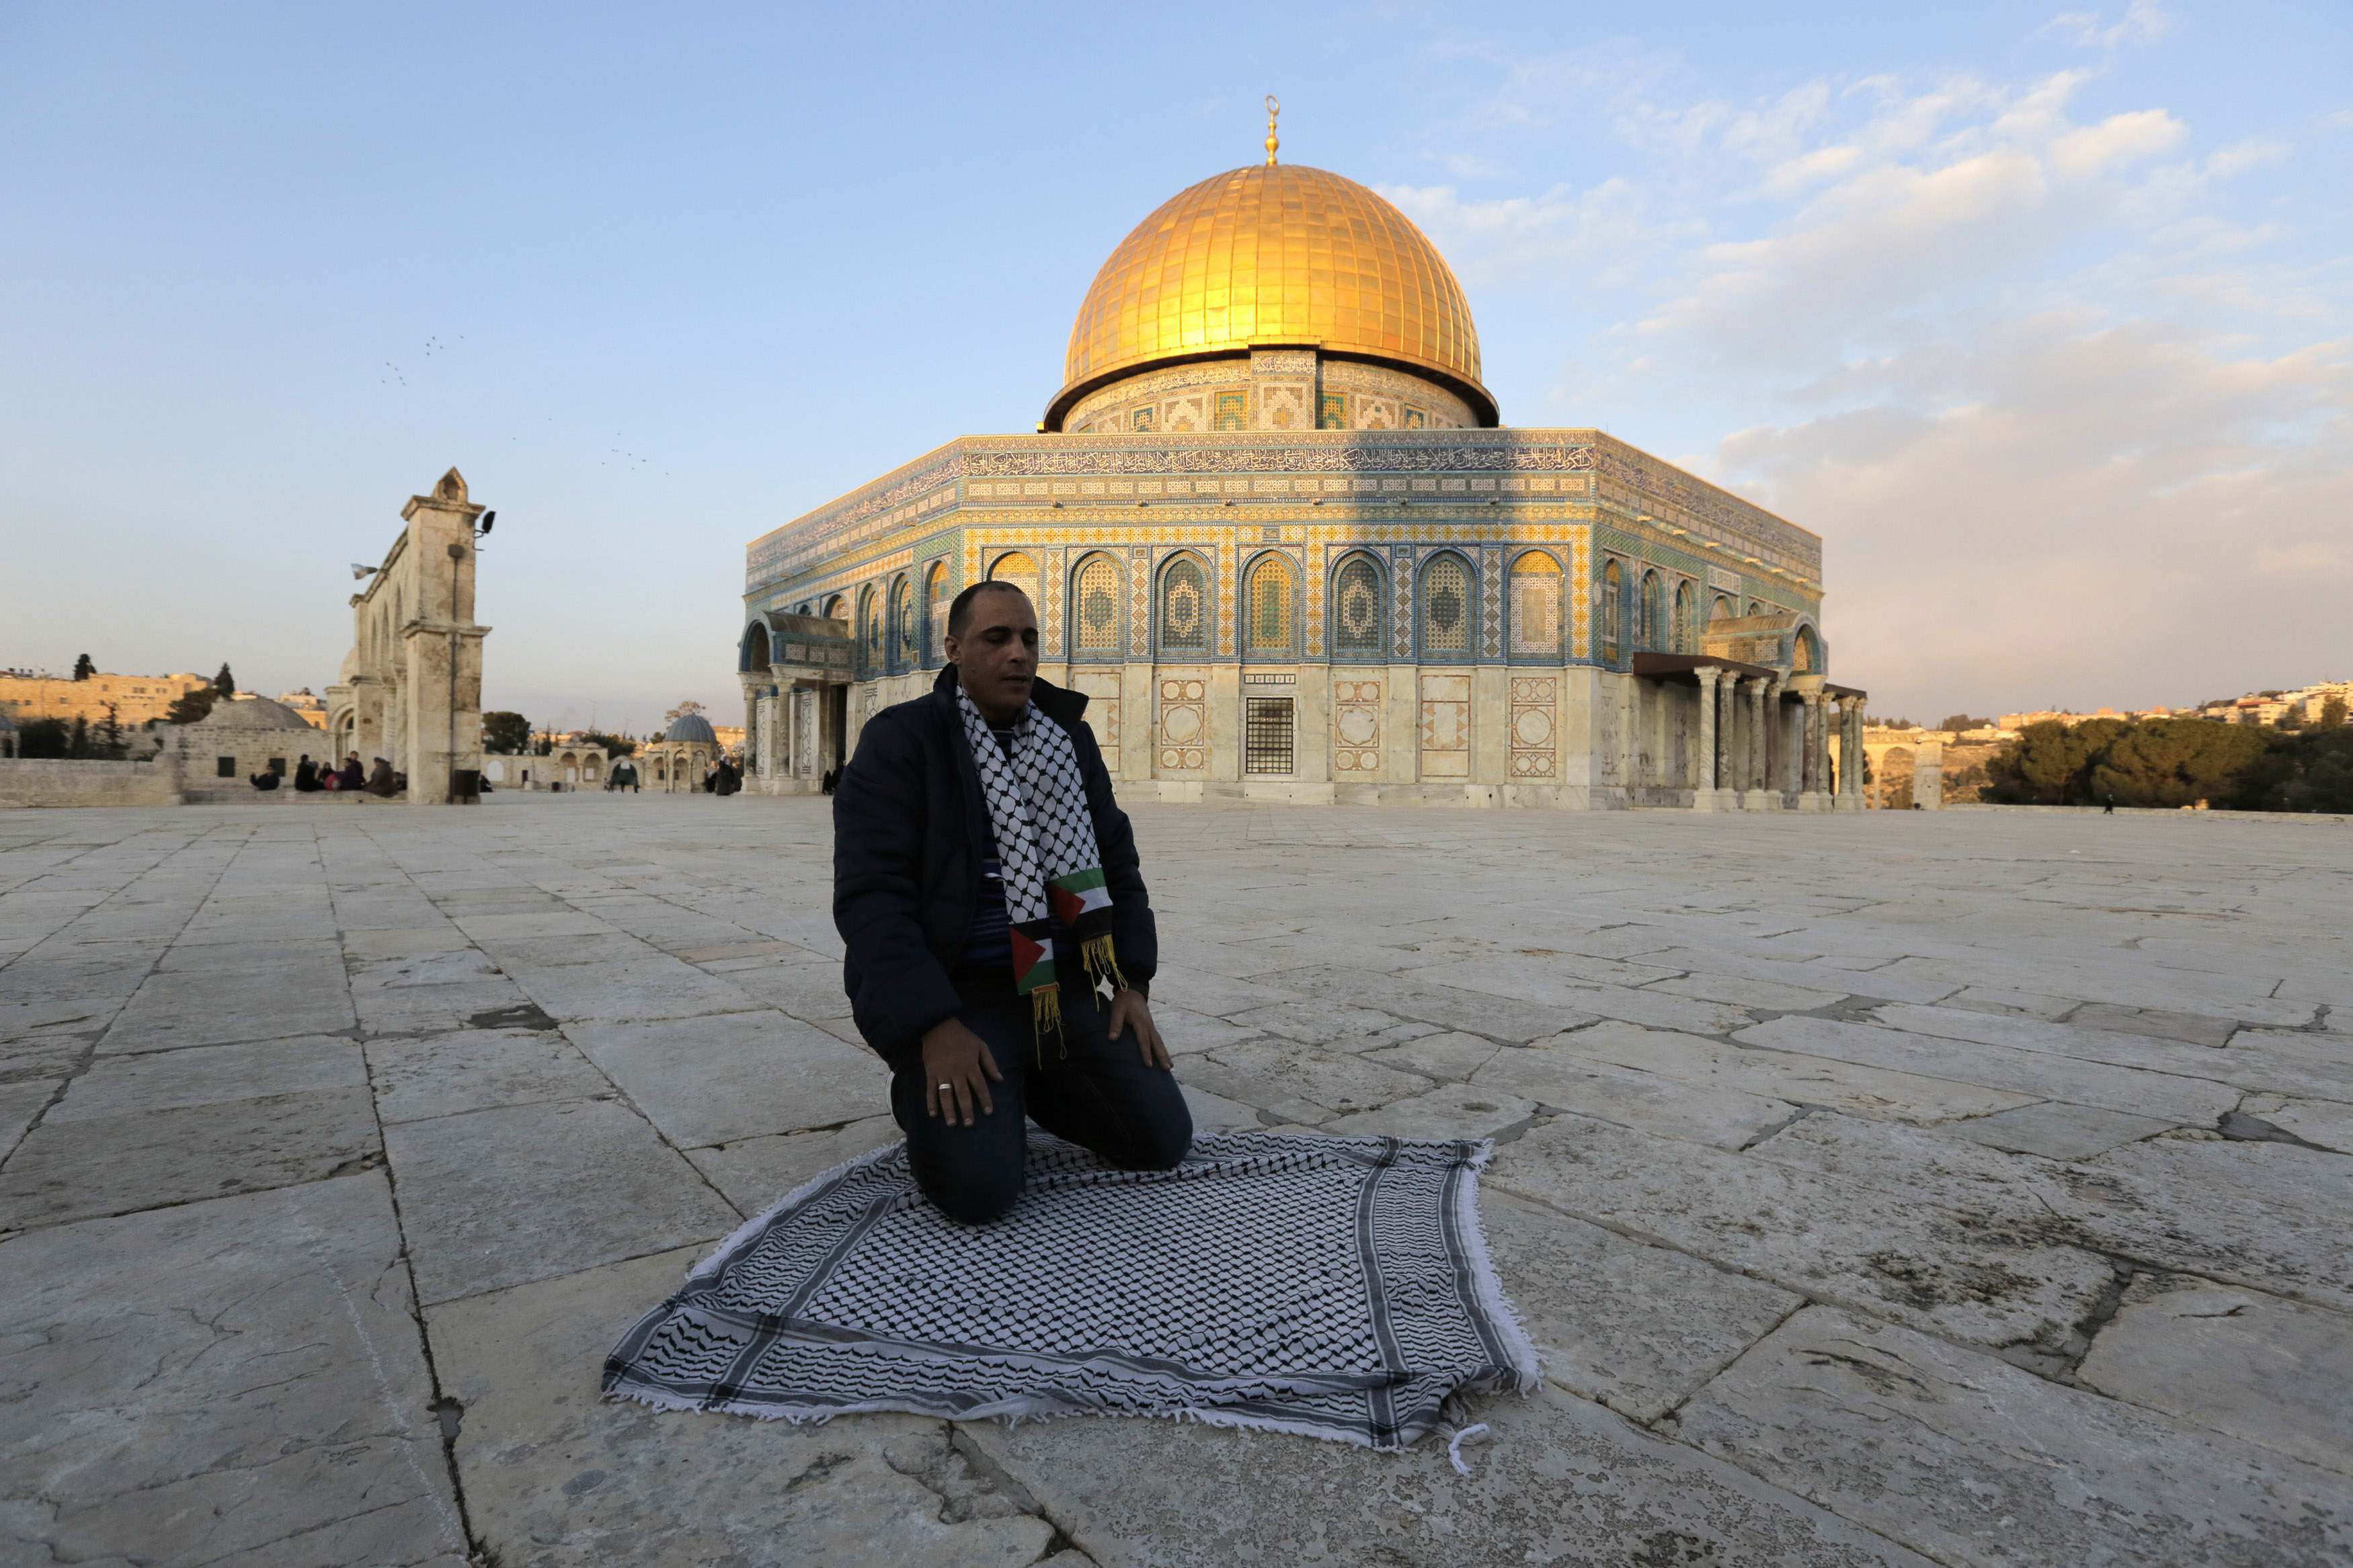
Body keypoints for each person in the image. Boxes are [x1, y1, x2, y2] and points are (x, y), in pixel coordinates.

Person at [833, 579, 1189, 1225]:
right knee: (979, 1191)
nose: (1018, 654)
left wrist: (1127, 981)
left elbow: (1116, 862)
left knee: (1160, 1140)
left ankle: (1031, 1074)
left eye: (1028, 638)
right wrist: (931, 1029)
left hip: (1062, 984)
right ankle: (927, 1086)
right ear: (954, 649)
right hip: (959, 996)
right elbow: (872, 900)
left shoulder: (1067, 741)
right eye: (997, 638)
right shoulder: (903, 742)